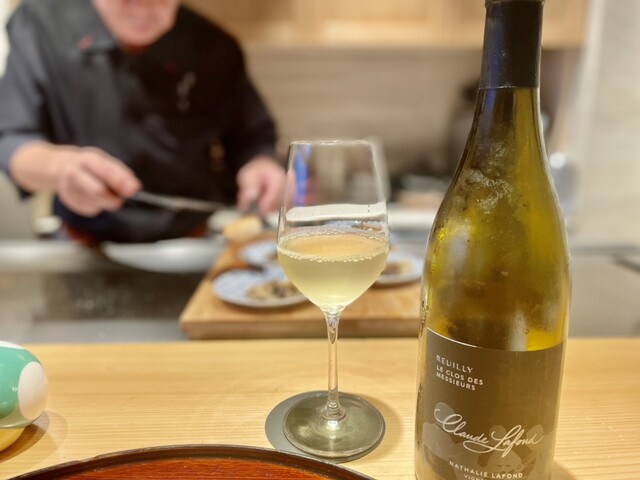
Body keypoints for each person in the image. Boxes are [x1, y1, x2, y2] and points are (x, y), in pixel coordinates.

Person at [0, 0, 285, 244]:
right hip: (83, 241)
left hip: (190, 240)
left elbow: (254, 140)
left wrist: (262, 167)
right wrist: (61, 168)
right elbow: (11, 138)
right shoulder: (41, 23)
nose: (144, 7)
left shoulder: (214, 46)